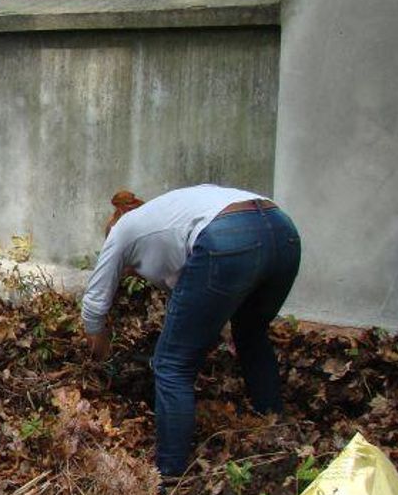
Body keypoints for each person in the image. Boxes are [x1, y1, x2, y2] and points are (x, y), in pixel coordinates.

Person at [81, 185, 301, 479]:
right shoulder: (169, 217)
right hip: (282, 231)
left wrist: (100, 356)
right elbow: (197, 298)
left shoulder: (121, 230)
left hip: (228, 236)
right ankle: (273, 424)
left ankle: (169, 474)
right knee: (251, 333)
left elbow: (94, 305)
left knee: (171, 364)